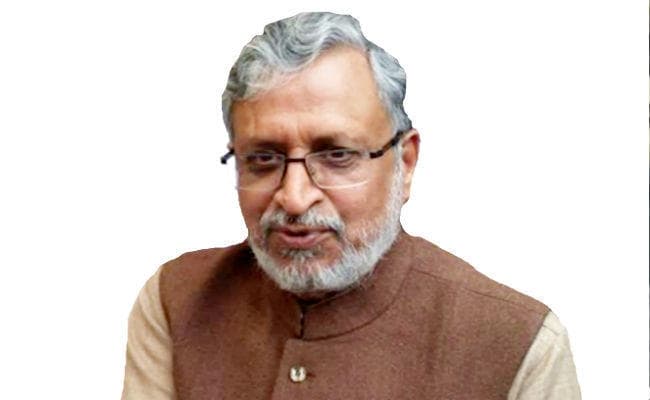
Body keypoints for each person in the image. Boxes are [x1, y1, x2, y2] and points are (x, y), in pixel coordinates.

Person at [121, 11, 581, 400]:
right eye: (262, 159)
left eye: (337, 155)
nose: (294, 197)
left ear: (405, 163)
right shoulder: (177, 302)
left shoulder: (518, 344)